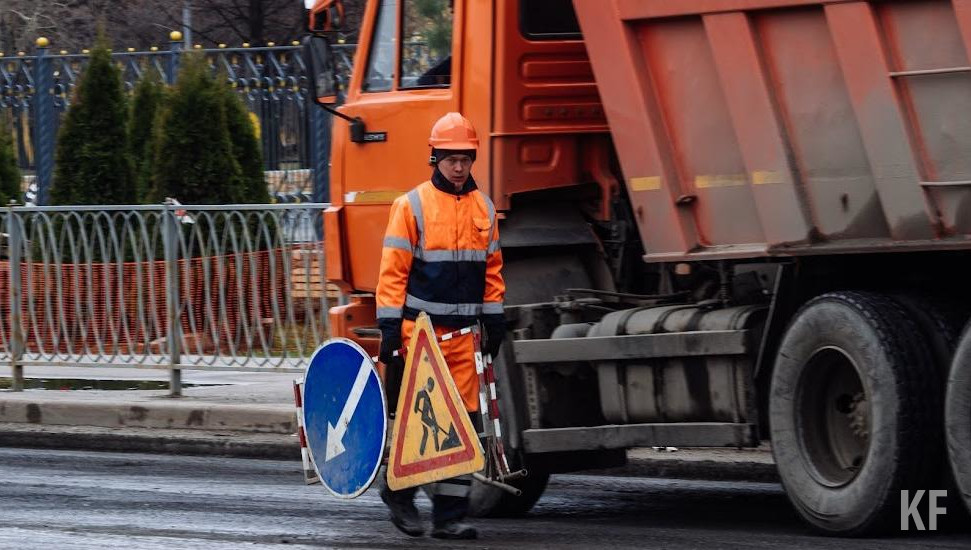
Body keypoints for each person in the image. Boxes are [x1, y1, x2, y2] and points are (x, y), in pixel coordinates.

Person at [375, 111, 505, 540]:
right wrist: (390, 330)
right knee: (420, 422)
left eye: (465, 158)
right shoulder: (411, 206)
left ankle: (449, 517)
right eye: (450, 158)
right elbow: (393, 272)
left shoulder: (483, 207)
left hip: (464, 337)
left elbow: (492, 271)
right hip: (421, 335)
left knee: (463, 426)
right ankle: (399, 494)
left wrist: (495, 318)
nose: (458, 166)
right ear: (435, 158)